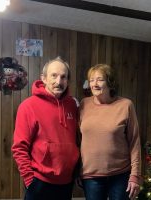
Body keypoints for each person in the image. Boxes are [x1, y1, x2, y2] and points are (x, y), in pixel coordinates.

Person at [11, 57, 80, 200]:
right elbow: (19, 148)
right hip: (39, 182)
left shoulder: (72, 105)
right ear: (44, 78)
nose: (59, 81)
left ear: (68, 80)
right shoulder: (28, 106)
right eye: (54, 75)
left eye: (63, 77)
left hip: (66, 182)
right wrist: (30, 180)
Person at [79, 64, 142, 200]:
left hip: (120, 175)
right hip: (91, 176)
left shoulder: (126, 105)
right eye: (91, 80)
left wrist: (135, 175)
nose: (94, 84)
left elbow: (134, 142)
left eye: (100, 79)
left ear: (110, 82)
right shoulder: (84, 104)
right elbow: (77, 139)